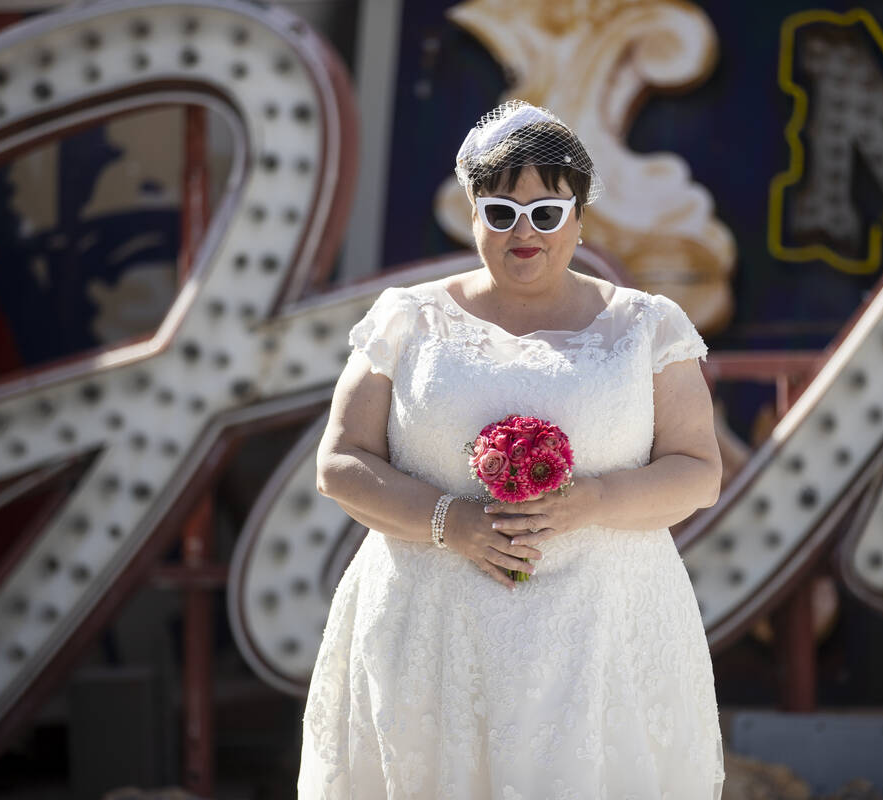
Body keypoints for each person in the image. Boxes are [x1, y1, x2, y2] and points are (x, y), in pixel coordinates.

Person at [300, 100, 725, 798]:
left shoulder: (649, 326)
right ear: (472, 216)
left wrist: (594, 500)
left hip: (603, 639)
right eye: (500, 212)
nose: (523, 232)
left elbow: (699, 472)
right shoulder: (405, 319)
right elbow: (340, 464)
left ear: (580, 220)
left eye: (546, 213)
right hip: (432, 642)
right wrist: (451, 521)